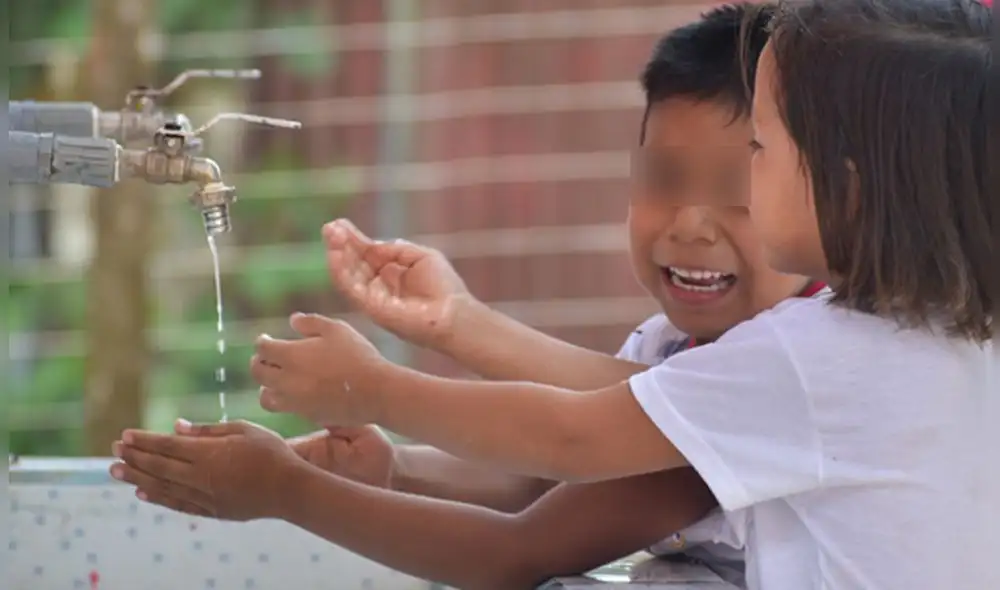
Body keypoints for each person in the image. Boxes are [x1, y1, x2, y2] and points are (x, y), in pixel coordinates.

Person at [114, 0, 997, 588]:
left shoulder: (817, 358)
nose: (694, 223)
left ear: (845, 188)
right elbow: (586, 433)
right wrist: (442, 361)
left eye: (754, 159)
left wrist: (361, 403)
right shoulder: (932, 340)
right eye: (659, 177)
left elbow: (565, 456)